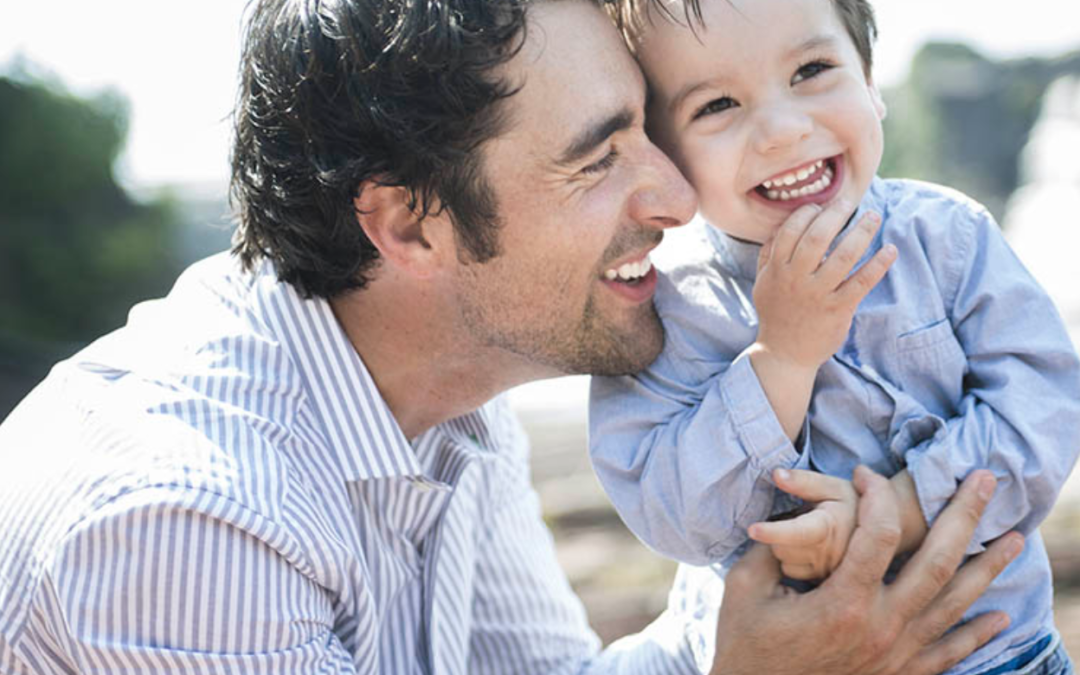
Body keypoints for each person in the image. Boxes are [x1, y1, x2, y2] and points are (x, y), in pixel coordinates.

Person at [0, 0, 1022, 673]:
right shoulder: (186, 525)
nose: (676, 197)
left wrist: (748, 642)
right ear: (410, 226)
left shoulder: (443, 398)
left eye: (652, 129)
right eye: (599, 159)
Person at [588, 0, 1080, 673]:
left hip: (997, 653)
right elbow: (675, 518)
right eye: (717, 105)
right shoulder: (665, 311)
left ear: (870, 82)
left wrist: (900, 509)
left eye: (812, 70)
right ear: (663, 155)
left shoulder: (948, 238)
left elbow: (1045, 405)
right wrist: (783, 358)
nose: (783, 130)